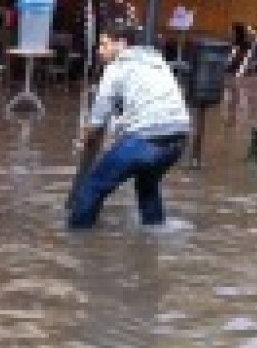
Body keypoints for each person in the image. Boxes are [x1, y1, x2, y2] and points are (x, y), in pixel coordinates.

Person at [67, 22, 190, 230]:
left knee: (93, 187)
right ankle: (154, 233)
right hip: (177, 139)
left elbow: (98, 118)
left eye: (105, 45)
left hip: (144, 139)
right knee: (147, 185)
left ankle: (76, 240)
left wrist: (83, 139)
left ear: (122, 45)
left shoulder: (116, 68)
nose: (100, 51)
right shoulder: (157, 62)